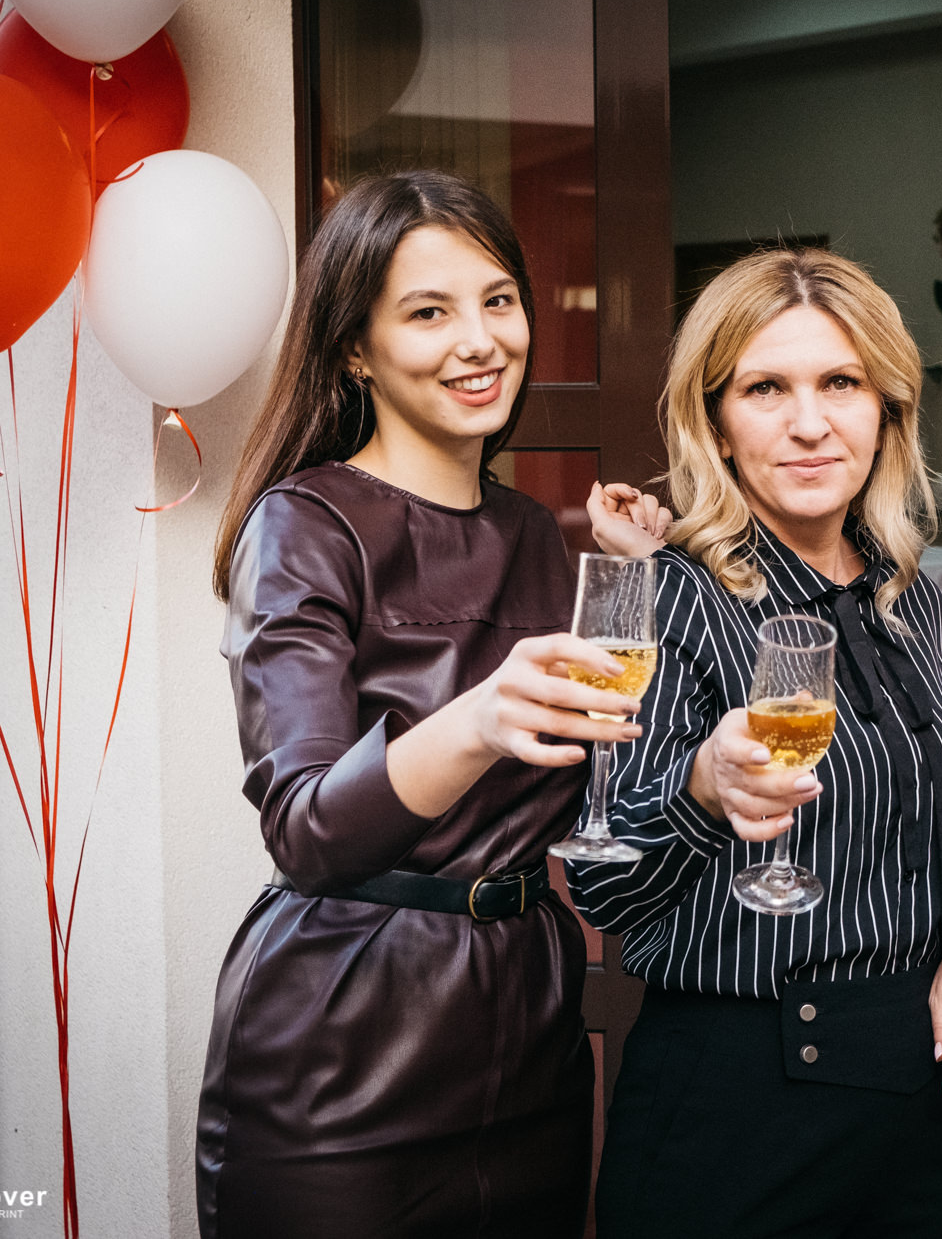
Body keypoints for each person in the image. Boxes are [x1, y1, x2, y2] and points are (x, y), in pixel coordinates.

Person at [197, 171, 639, 1238]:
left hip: (530, 1039)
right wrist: (478, 720)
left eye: (498, 301)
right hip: (344, 1049)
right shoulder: (304, 525)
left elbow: (606, 793)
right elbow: (306, 829)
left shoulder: (537, 536)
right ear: (356, 348)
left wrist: (644, 584)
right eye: (428, 312)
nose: (479, 341)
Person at [567, 246, 942, 1239]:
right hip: (734, 1114)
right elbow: (604, 889)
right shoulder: (667, 598)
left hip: (914, 1109)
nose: (809, 423)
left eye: (840, 383)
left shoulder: (909, 600)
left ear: (886, 411)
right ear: (716, 423)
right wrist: (699, 787)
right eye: (765, 388)